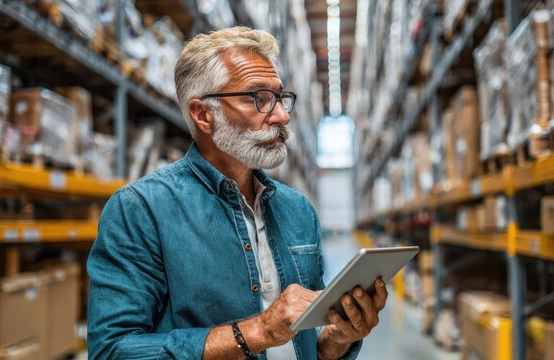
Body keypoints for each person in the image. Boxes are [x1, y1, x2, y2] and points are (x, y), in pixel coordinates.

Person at [87, 26, 388, 360]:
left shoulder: (299, 210)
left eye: (280, 97)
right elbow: (111, 351)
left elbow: (307, 344)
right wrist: (258, 331)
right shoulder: (140, 211)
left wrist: (337, 339)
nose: (282, 116)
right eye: (258, 99)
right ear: (203, 115)